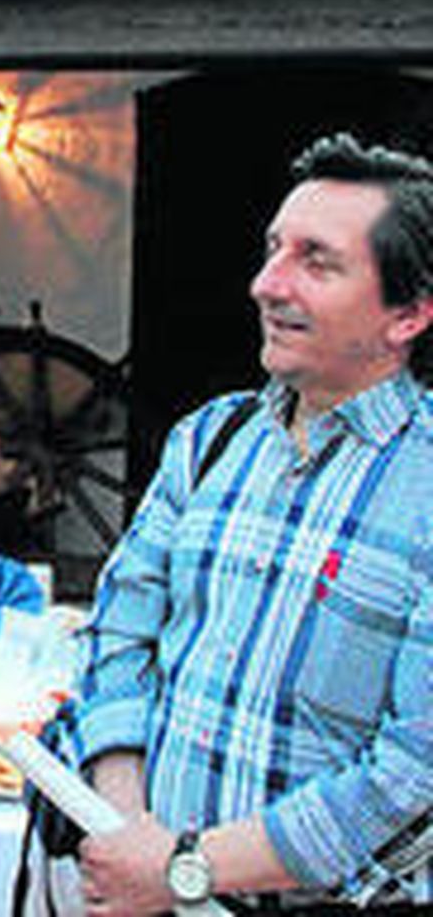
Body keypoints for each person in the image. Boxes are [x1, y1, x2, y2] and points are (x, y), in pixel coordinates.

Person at [72, 132, 433, 913]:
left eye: (317, 262)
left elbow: (414, 765)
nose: (267, 284)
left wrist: (186, 867)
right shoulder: (209, 439)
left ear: (408, 314)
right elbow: (119, 632)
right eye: (274, 251)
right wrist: (130, 830)